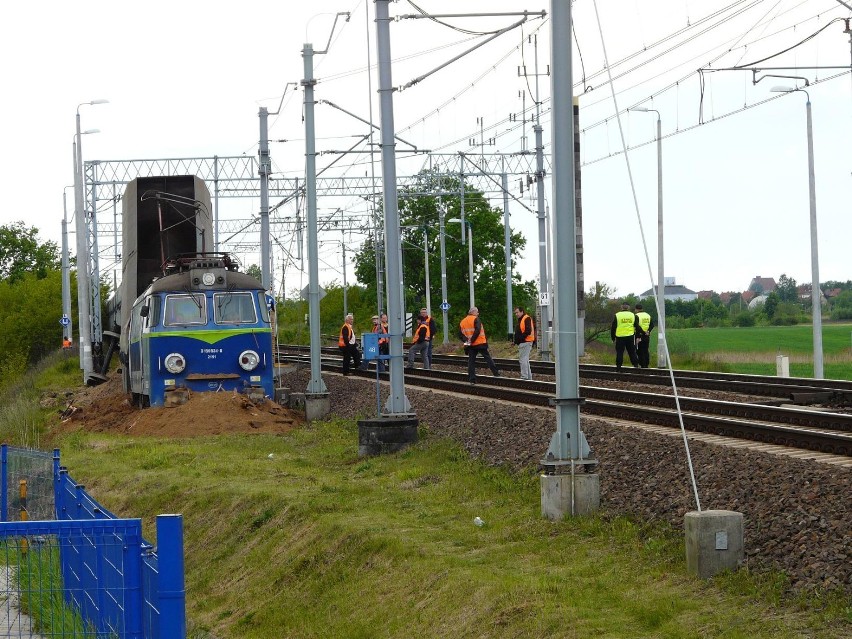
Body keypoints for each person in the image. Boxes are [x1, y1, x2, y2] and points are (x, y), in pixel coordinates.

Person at [459, 306, 500, 384]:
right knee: (488, 358)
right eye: (477, 312)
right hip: (479, 343)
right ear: (473, 312)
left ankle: (472, 379)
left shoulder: (462, 321)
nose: (478, 313)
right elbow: (477, 330)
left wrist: (468, 341)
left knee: (471, 361)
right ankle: (496, 373)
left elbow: (460, 334)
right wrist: (472, 340)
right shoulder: (475, 319)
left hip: (470, 345)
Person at [610, 302, 640, 371]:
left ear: (621, 307)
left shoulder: (617, 315)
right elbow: (637, 327)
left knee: (620, 352)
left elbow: (613, 328)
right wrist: (637, 336)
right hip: (630, 336)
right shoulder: (633, 315)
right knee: (632, 352)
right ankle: (636, 365)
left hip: (620, 337)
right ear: (628, 307)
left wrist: (613, 338)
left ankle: (618, 367)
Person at [513, 306, 535, 380]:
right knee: (525, 359)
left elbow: (528, 331)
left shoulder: (526, 318)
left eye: (517, 312)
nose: (516, 314)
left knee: (522, 359)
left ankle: (524, 377)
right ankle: (528, 377)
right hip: (524, 342)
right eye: (515, 313)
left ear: (522, 311)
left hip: (526, 342)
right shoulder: (521, 319)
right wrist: (515, 341)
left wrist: (519, 339)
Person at [634, 303, 656, 368]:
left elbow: (637, 326)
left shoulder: (636, 316)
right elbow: (652, 325)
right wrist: (648, 331)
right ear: (642, 309)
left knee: (639, 350)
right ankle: (646, 364)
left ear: (636, 309)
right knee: (646, 350)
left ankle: (642, 364)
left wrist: (642, 333)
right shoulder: (648, 315)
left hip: (639, 336)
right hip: (647, 336)